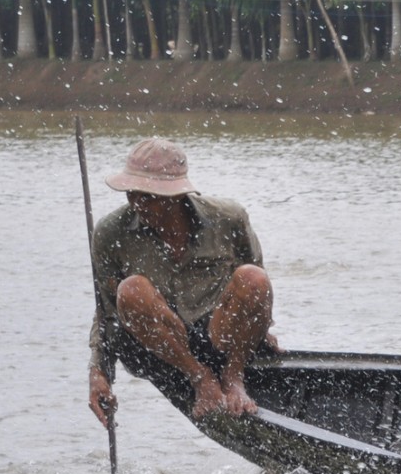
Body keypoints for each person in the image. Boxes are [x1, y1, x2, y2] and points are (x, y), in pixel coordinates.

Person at [86, 138, 278, 427]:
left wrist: (261, 330)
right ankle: (200, 377)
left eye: (147, 196)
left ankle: (232, 377)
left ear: (174, 195)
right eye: (131, 194)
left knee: (253, 277)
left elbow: (255, 282)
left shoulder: (228, 218)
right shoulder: (111, 233)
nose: (137, 203)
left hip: (215, 331)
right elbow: (107, 309)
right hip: (160, 341)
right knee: (131, 289)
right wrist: (99, 372)